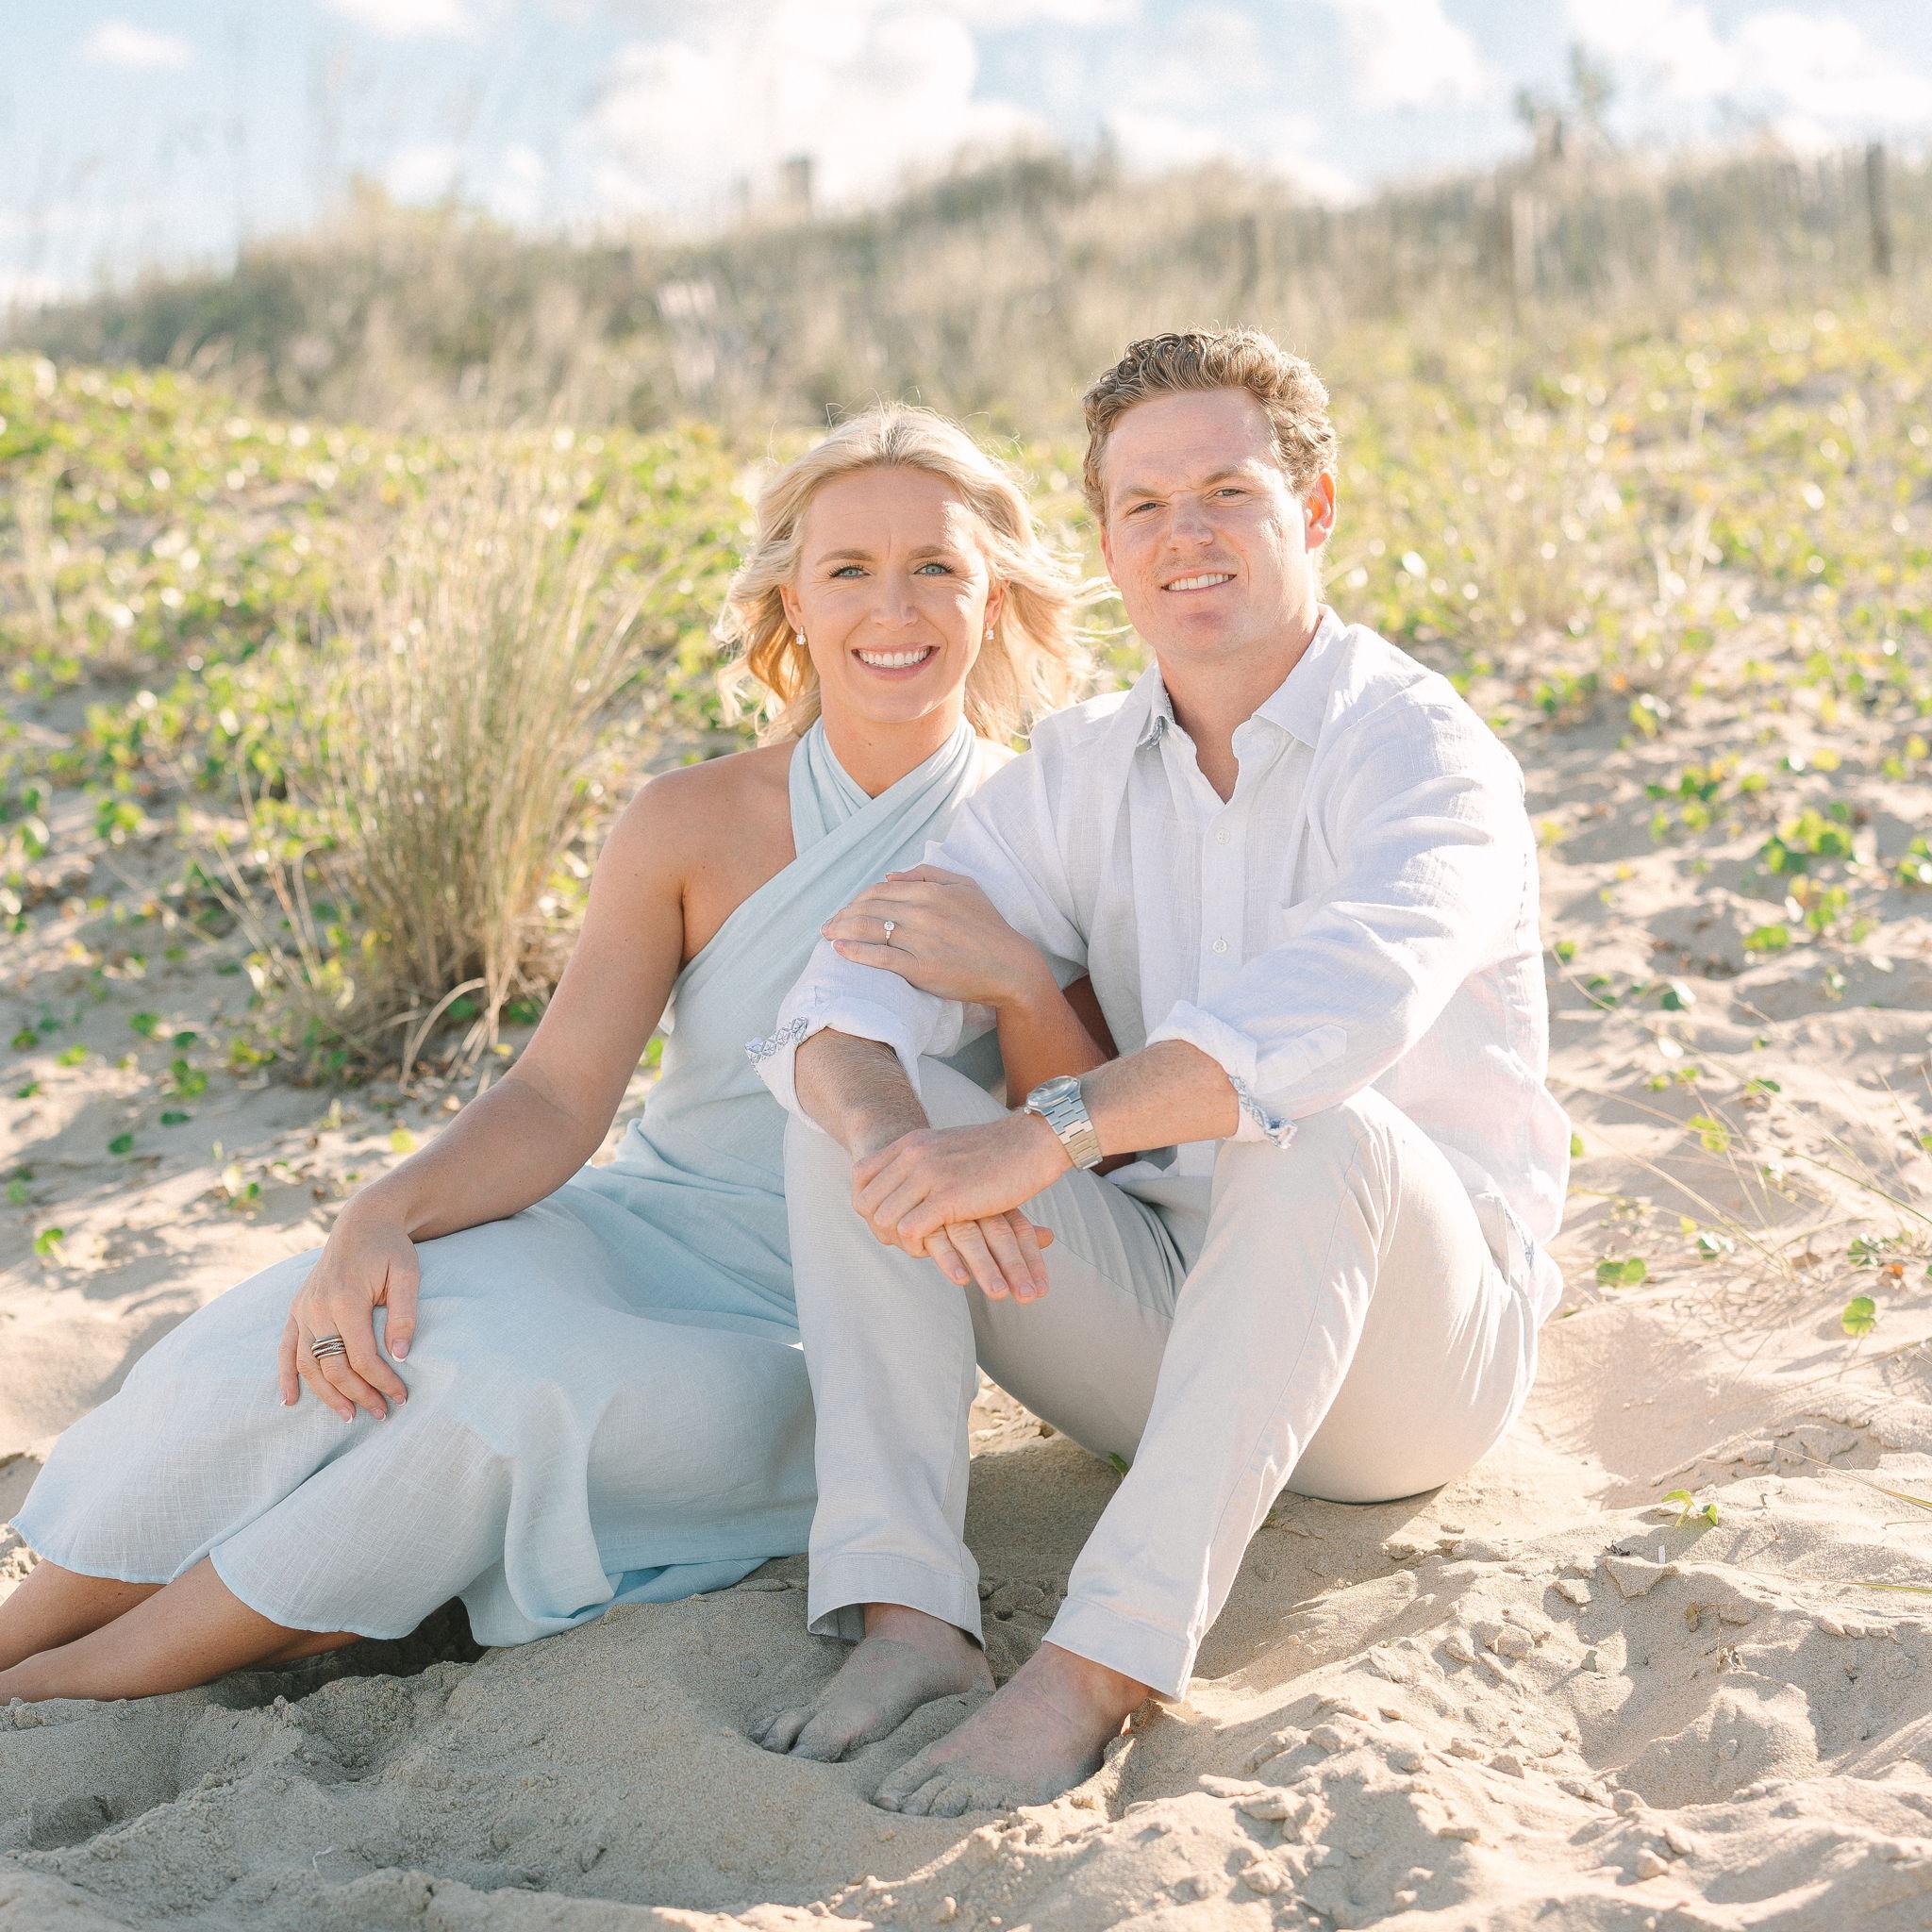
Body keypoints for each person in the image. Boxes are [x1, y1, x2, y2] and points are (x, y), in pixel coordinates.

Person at [0, 405, 1106, 1705]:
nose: (893, 607)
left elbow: (1083, 1135)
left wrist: (1017, 974)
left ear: (995, 597)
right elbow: (556, 1095)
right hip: (631, 1232)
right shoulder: (686, 821)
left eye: (936, 567)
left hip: (834, 1331)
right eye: (849, 569)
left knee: (506, 1393)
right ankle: (20, 1635)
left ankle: (53, 1695)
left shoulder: (1047, 828)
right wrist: (379, 1212)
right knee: (340, 1331)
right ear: (793, 605)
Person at [747, 328, 1571, 1816]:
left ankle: (1097, 1669)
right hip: (1170, 1335)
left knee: (1318, 1129)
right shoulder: (1078, 769)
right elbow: (842, 995)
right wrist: (900, 1144)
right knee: (861, 1119)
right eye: (1144, 505)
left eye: (1227, 494)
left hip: (1409, 1371)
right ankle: (910, 1617)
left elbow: (1339, 1013)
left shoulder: (1420, 750)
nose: (1185, 535)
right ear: (1110, 542)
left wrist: (1045, 1134)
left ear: (1314, 510)